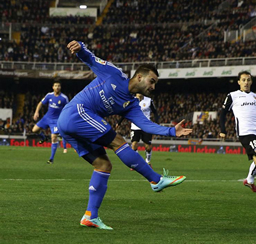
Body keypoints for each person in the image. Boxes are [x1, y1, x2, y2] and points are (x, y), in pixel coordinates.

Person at [58, 41, 192, 230]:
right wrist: (80, 46)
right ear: (139, 77)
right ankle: (156, 180)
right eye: (151, 81)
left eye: (155, 84)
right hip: (76, 112)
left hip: (73, 124)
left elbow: (146, 124)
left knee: (103, 165)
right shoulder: (114, 74)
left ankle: (90, 216)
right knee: (118, 141)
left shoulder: (131, 104)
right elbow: (91, 59)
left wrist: (171, 131)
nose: (153, 87)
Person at [117, 93, 159, 168]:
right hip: (135, 126)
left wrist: (157, 122)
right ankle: (137, 163)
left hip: (146, 126)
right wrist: (119, 122)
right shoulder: (131, 100)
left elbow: (155, 112)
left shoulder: (149, 100)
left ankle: (148, 161)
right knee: (134, 145)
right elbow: (125, 112)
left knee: (148, 147)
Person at [32, 81, 69, 164]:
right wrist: (36, 112)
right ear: (53, 87)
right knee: (34, 130)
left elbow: (68, 108)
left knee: (53, 138)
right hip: (46, 118)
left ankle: (51, 159)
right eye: (56, 86)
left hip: (56, 121)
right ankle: (44, 138)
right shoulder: (49, 95)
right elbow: (40, 103)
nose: (57, 87)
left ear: (60, 87)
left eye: (59, 86)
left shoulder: (64, 98)